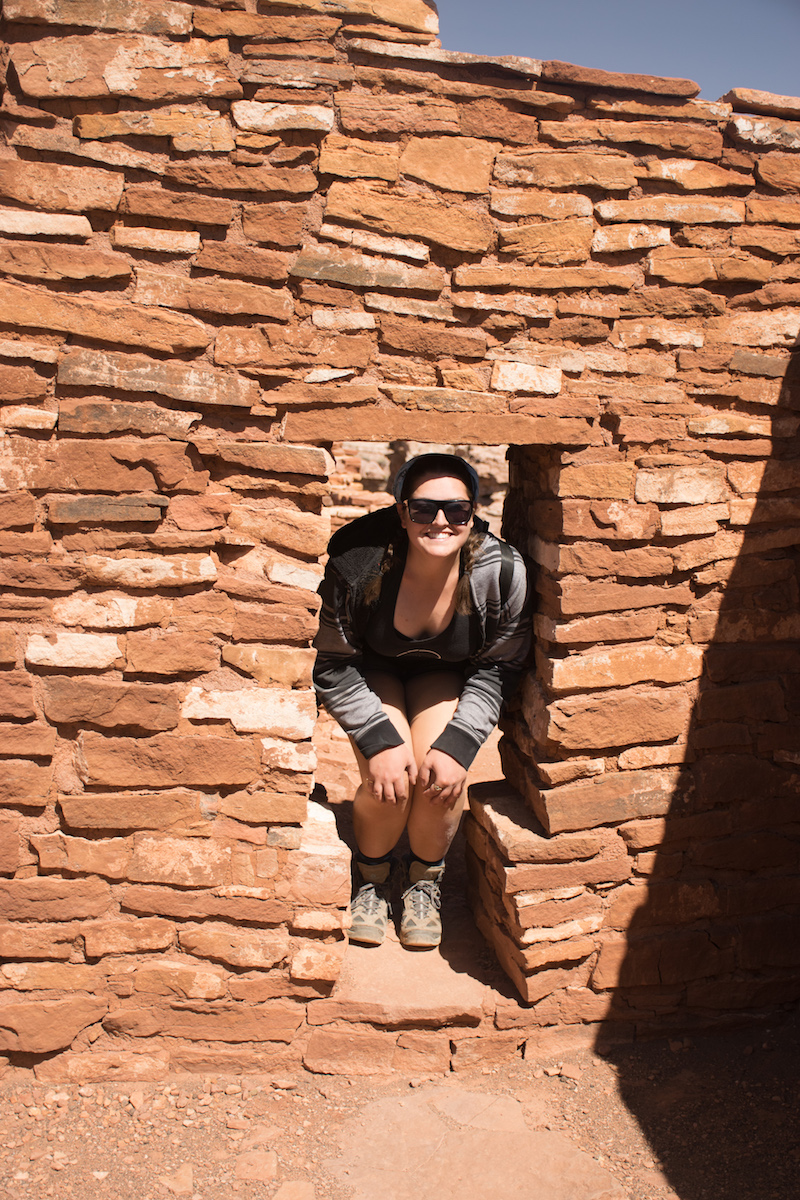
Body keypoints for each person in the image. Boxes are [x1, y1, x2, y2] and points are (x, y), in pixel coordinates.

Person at [313, 453, 532, 949]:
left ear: (472, 513)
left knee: (440, 781)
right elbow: (333, 662)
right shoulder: (359, 565)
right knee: (388, 781)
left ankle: (422, 880)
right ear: (401, 512)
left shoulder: (499, 572)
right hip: (372, 670)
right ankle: (372, 876)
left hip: (444, 673)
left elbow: (501, 665)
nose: (440, 521)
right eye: (423, 509)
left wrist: (460, 743)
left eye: (456, 510)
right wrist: (378, 740)